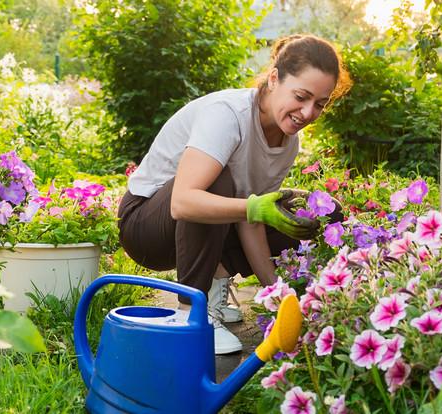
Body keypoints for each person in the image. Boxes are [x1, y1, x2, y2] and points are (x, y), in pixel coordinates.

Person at [117, 34, 351, 354]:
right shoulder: (227, 114)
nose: (308, 112)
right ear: (273, 78)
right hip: (145, 226)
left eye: (320, 104)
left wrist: (278, 296)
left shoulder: (287, 141)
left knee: (312, 209)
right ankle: (193, 315)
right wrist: (253, 208)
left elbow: (250, 217)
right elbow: (184, 201)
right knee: (217, 181)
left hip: (194, 231)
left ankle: (214, 285)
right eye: (301, 96)